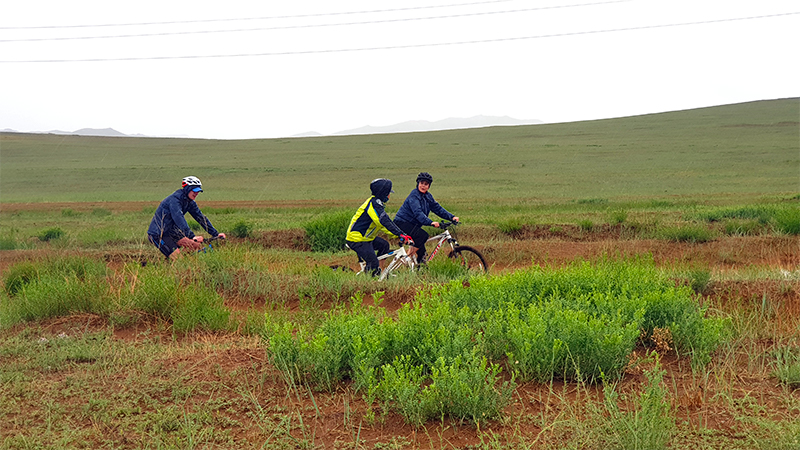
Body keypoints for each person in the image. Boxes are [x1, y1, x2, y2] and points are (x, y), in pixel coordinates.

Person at [345, 178, 413, 277]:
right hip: (357, 239)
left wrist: (399, 235)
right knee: (373, 263)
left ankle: (379, 273)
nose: (390, 196)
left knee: (384, 245)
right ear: (383, 193)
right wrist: (399, 233)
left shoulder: (377, 204)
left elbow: (383, 225)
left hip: (367, 238)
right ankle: (368, 282)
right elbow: (383, 221)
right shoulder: (373, 204)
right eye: (389, 193)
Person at [147, 176, 226, 260]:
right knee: (180, 260)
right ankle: (175, 262)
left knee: (196, 246)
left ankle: (171, 261)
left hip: (172, 232)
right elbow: (178, 218)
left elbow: (200, 218)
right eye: (194, 191)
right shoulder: (175, 200)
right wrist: (192, 236)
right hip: (159, 234)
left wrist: (215, 234)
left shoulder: (189, 201)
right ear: (187, 189)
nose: (196, 193)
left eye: (198, 191)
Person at [393, 172, 459, 266]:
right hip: (402, 223)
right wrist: (431, 222)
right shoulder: (414, 196)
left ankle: (421, 269)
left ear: (429, 186)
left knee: (422, 252)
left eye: (426, 184)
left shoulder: (428, 196)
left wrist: (451, 217)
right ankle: (406, 257)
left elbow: (438, 209)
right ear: (418, 184)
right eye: (421, 183)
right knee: (423, 236)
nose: (423, 186)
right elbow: (418, 213)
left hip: (413, 225)